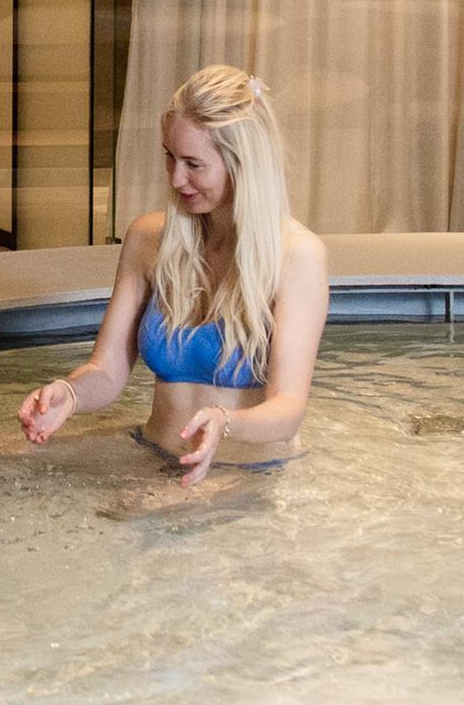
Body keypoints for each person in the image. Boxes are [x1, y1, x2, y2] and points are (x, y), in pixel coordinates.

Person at [18, 65, 331, 487]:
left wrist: (226, 422)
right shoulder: (149, 239)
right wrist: (69, 395)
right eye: (170, 156)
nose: (176, 178)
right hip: (151, 452)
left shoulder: (296, 256)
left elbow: (288, 409)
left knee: (133, 517)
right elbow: (107, 371)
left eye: (194, 164)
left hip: (243, 471)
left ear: (243, 165)